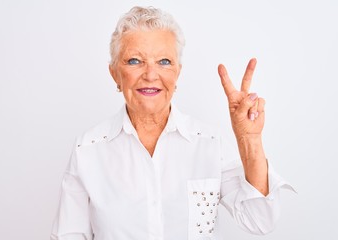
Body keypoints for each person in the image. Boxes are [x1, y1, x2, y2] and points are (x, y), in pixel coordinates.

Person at [50, 6, 294, 240]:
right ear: (114, 73)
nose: (150, 74)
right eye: (135, 60)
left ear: (177, 72)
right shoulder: (88, 149)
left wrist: (249, 139)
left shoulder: (210, 143)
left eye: (164, 61)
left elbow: (260, 220)